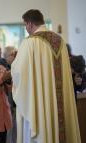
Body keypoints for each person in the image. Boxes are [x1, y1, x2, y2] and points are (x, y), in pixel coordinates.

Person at [11, 9, 81, 143]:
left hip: (41, 102)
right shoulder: (60, 41)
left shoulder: (29, 42)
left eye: (25, 25)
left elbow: (19, 72)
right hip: (60, 101)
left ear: (30, 23)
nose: (26, 28)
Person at [0, 46, 17, 143]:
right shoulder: (2, 64)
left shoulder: (9, 64)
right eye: (14, 56)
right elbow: (7, 80)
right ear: (11, 55)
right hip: (6, 102)